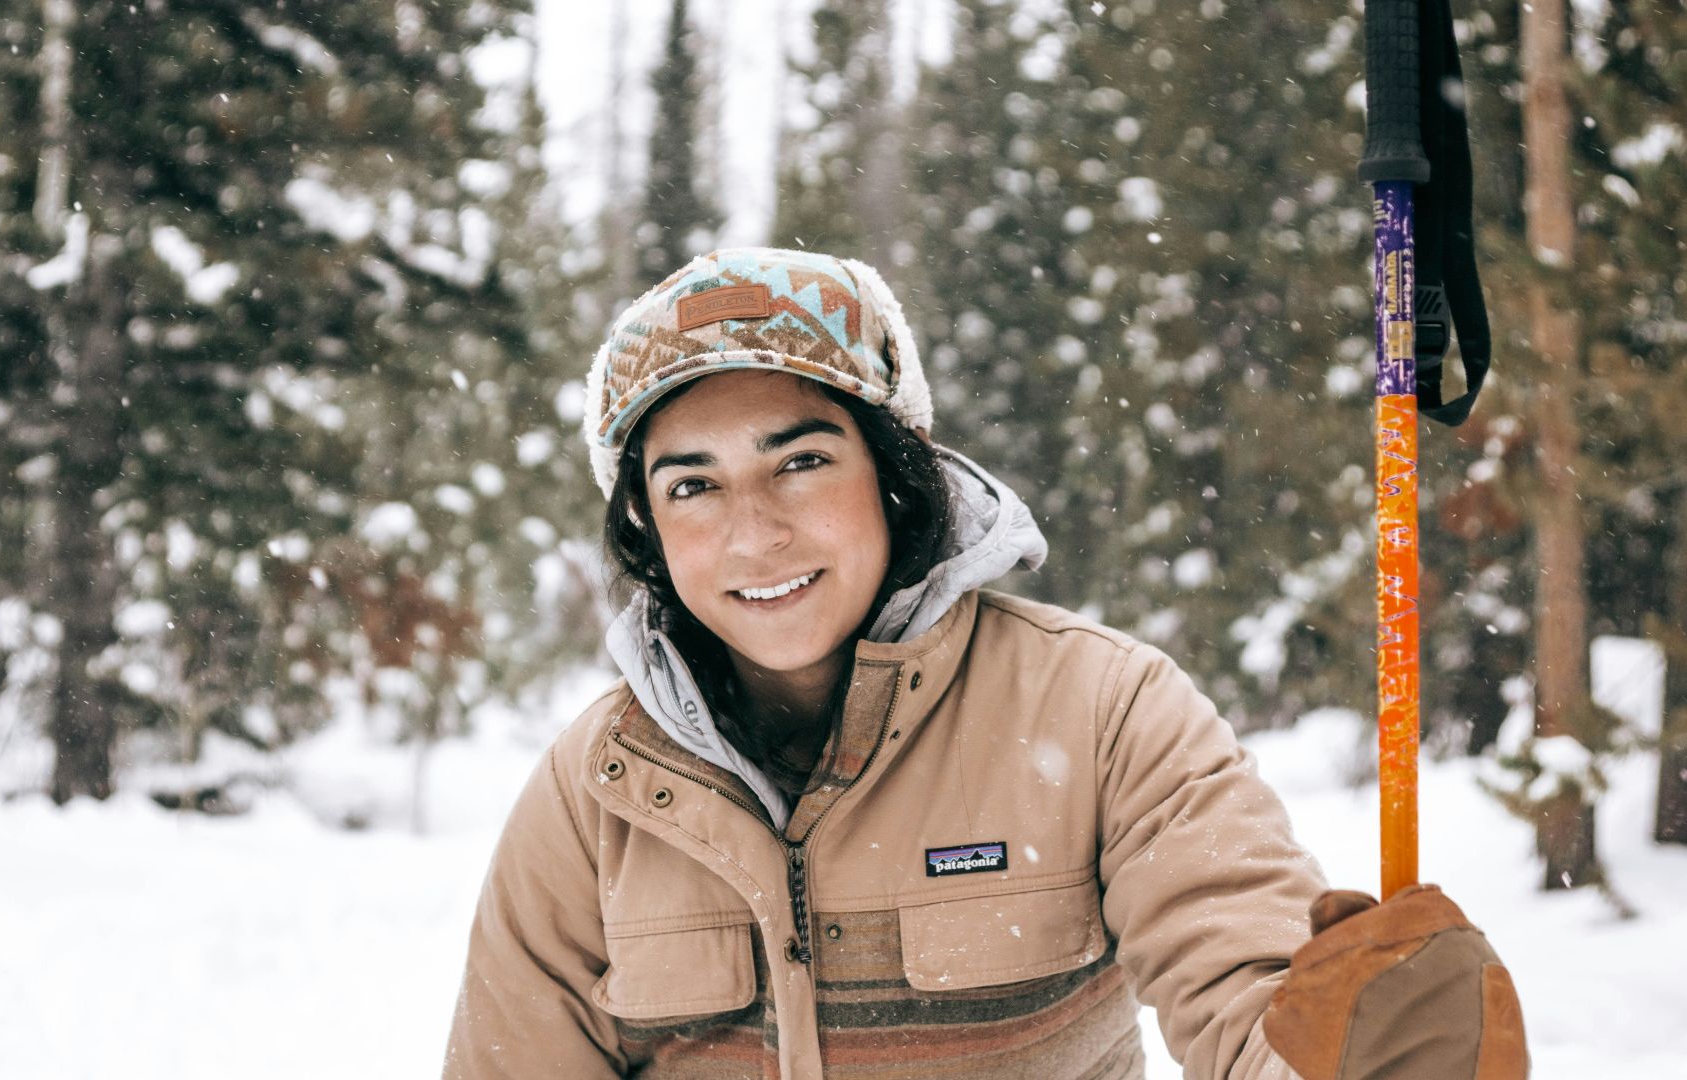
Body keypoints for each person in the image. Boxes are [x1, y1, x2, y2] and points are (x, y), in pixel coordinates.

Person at [443, 248, 1526, 1079]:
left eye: (802, 460)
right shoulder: (601, 787)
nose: (752, 533)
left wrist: (1359, 1049)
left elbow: (1248, 999)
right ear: (648, 527)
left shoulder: (1103, 710)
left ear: (898, 476)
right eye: (693, 485)